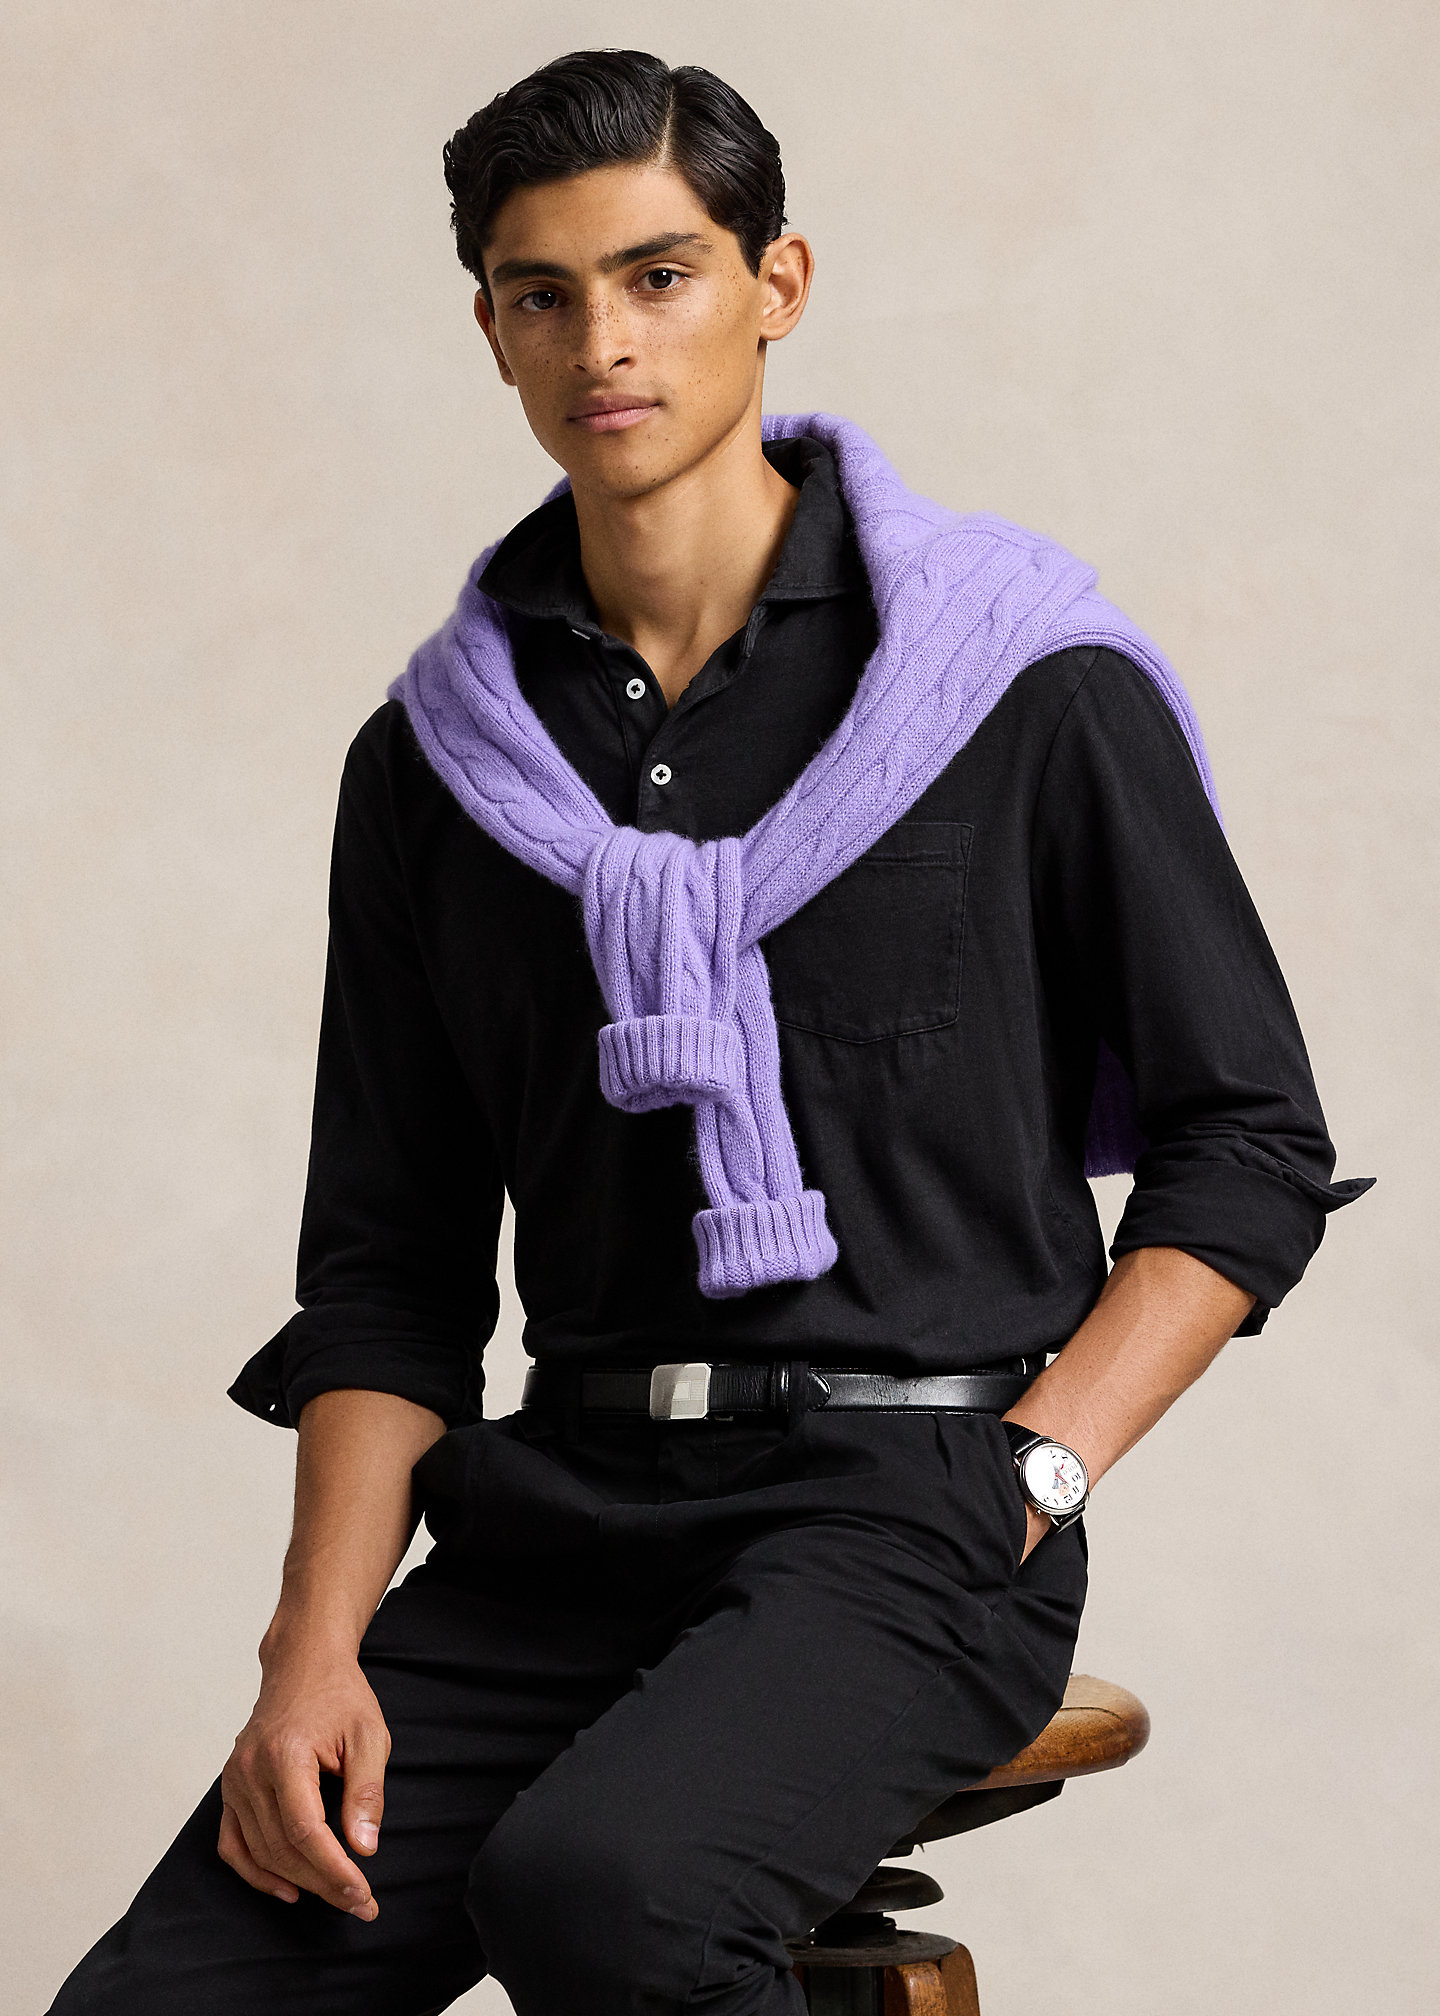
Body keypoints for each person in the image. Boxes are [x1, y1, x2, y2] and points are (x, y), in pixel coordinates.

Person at [49, 46, 1368, 2016]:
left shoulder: (1017, 680)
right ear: (493, 330)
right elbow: (392, 1267)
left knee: (606, 1892)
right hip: (557, 1520)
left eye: (659, 276)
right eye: (543, 292)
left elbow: (1247, 1144)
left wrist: (1036, 1475)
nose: (604, 341)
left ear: (779, 283)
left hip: (915, 1515)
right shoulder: (440, 764)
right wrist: (308, 1652)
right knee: (168, 1999)